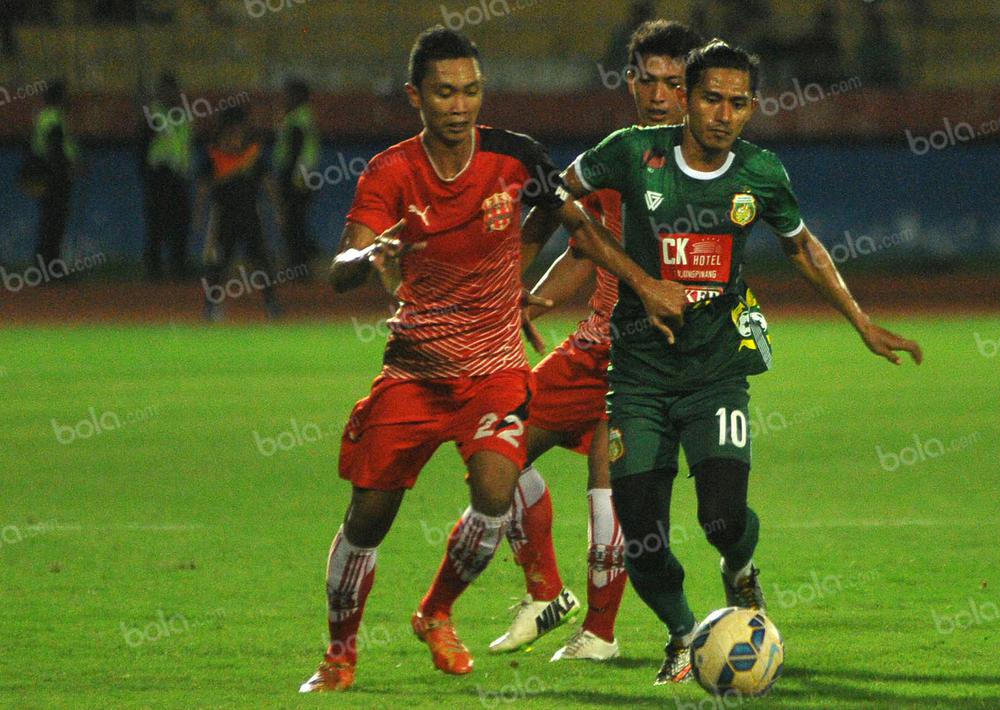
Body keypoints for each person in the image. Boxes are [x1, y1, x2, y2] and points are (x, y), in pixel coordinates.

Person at [297, 26, 686, 692]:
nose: (459, 106)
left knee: (497, 491)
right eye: (445, 93)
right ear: (415, 96)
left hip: (496, 373)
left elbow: (576, 226)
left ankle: (441, 611)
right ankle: (339, 654)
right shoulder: (390, 171)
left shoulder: (515, 157)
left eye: (471, 91)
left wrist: (637, 285)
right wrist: (366, 258)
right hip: (414, 374)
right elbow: (339, 266)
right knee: (368, 517)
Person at [559, 40, 923, 684]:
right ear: (685, 101)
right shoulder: (630, 153)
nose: (724, 115)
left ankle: (739, 569)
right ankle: (682, 634)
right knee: (640, 535)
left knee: (722, 518)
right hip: (638, 375)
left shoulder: (760, 172)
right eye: (711, 100)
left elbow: (804, 248)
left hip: (715, 371)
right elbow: (562, 202)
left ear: (752, 107)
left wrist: (860, 320)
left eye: (738, 103)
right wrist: (641, 283)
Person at [488, 19, 704, 663]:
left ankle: (602, 636)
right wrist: (537, 293)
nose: (661, 95)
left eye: (675, 82)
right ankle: (547, 594)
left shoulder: (719, 165)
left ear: (693, 89)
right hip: (591, 347)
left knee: (610, 491)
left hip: (650, 357)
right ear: (630, 81)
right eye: (650, 80)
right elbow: (584, 239)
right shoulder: (616, 156)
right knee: (496, 453)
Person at [196, 105, 282, 320]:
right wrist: (198, 216)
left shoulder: (253, 156)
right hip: (222, 216)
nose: (235, 136)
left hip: (251, 215)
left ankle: (271, 304)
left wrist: (278, 211)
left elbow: (269, 184)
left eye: (238, 132)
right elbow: (203, 188)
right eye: (230, 132)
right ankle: (211, 306)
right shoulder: (214, 157)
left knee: (261, 260)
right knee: (218, 263)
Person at [139, 73, 193, 280]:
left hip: (179, 175)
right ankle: (153, 270)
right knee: (157, 223)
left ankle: (177, 267)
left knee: (180, 223)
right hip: (160, 175)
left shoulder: (183, 115)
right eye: (165, 90)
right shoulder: (153, 114)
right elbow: (143, 141)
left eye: (173, 90)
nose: (170, 94)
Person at [272, 78, 320, 274]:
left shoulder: (297, 120)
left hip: (295, 178)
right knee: (297, 221)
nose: (285, 99)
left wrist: (284, 178)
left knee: (292, 222)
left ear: (299, 97)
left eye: (289, 95)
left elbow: (294, 151)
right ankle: (304, 258)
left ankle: (299, 263)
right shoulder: (305, 117)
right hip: (304, 176)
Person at [30, 80, 77, 266]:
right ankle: (49, 267)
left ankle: (48, 266)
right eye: (66, 95)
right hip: (54, 177)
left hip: (48, 174)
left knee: (50, 222)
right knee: (53, 223)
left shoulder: (49, 116)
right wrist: (68, 168)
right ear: (59, 97)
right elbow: (55, 149)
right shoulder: (53, 118)